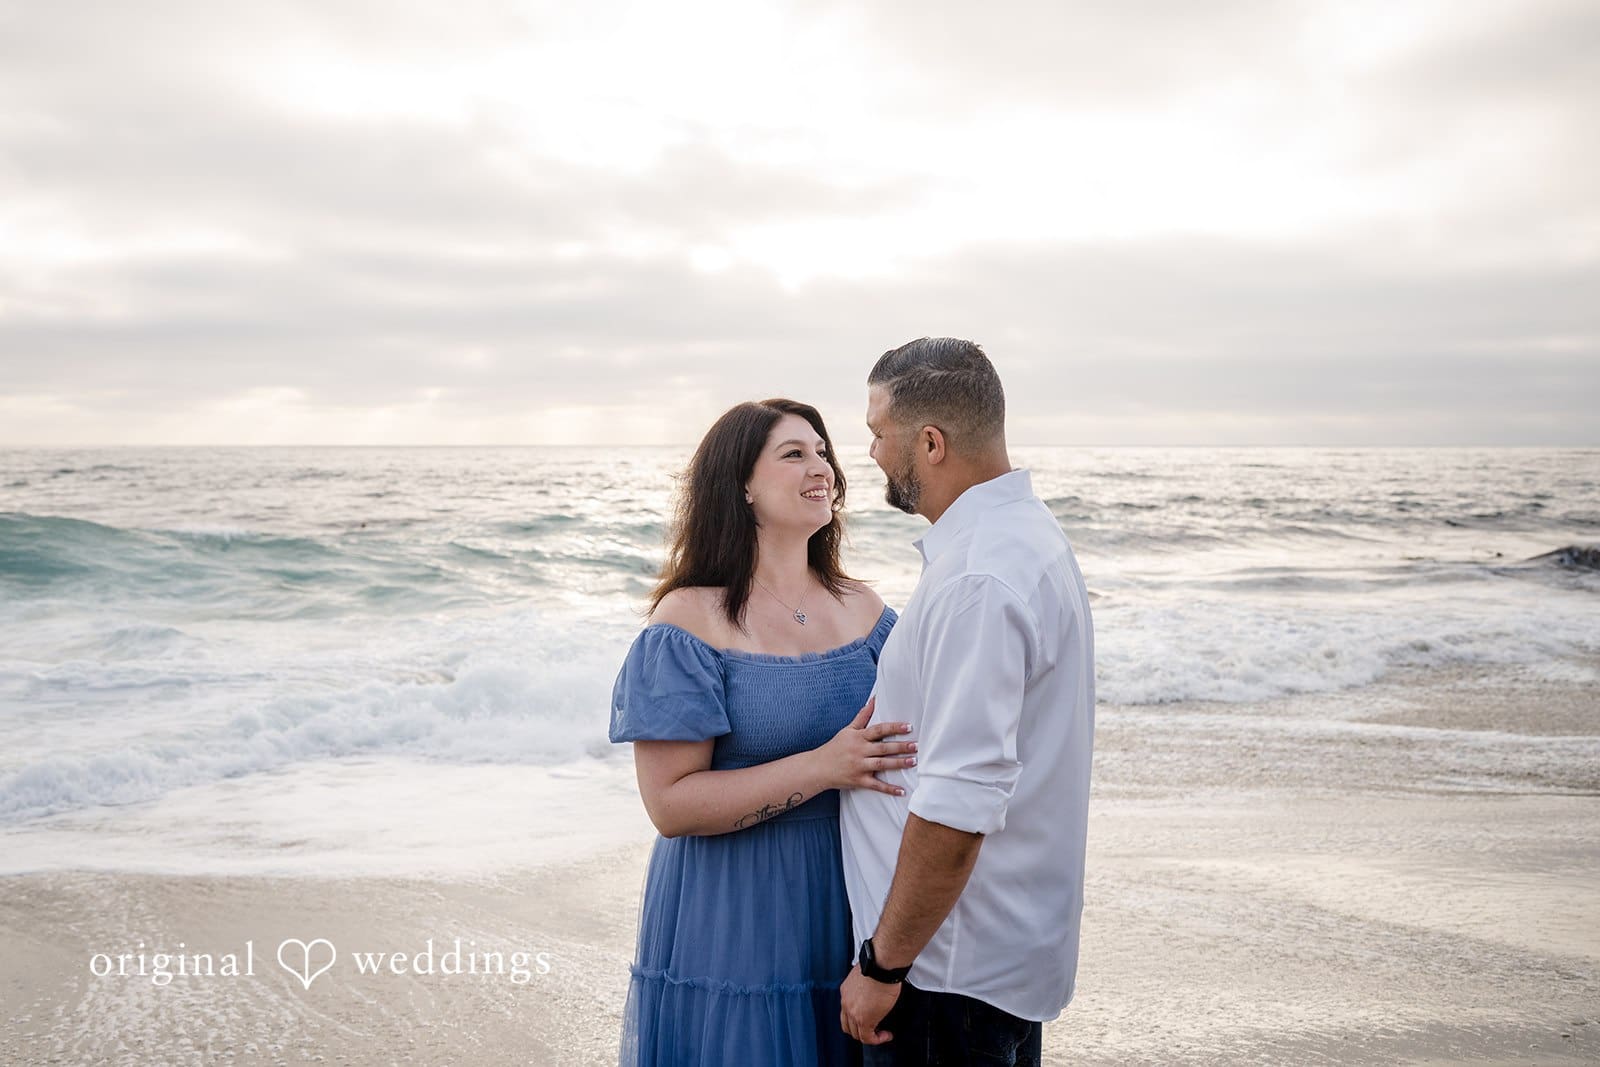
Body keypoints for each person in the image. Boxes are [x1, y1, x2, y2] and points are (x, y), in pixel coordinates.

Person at [610, 397, 915, 1066]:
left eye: (824, 451)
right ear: (742, 484)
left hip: (845, 899)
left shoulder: (865, 609)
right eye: (794, 453)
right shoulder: (690, 620)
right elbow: (670, 804)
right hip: (730, 914)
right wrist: (822, 767)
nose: (822, 467)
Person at [838, 338, 1096, 1066]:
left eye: (876, 433)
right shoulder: (1027, 539)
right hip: (989, 960)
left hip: (941, 977)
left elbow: (959, 804)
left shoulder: (980, 577)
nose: (871, 454)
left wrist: (882, 967)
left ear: (931, 441)